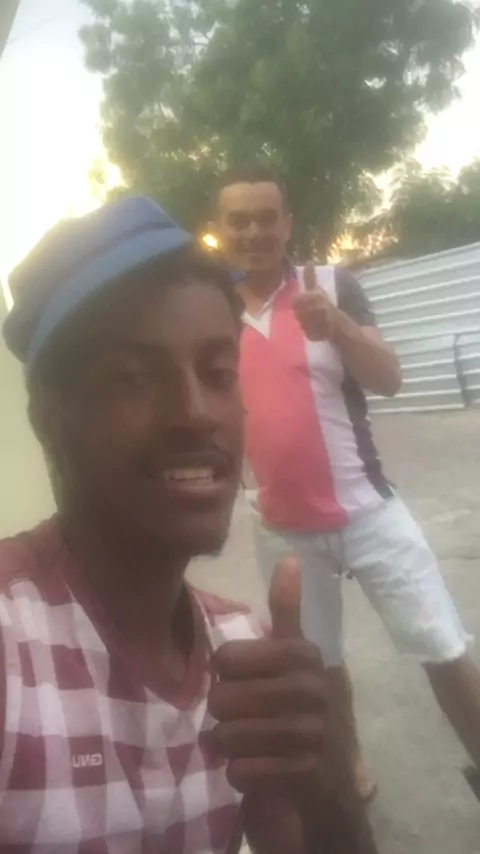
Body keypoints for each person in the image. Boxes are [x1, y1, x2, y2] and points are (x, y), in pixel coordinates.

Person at [0, 197, 378, 853]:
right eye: (135, 376)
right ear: (50, 418)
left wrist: (324, 787)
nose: (196, 412)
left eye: (218, 372)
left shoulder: (246, 652)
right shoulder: (15, 648)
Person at [213, 165, 480, 799]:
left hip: (369, 511)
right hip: (281, 528)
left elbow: (390, 379)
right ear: (219, 229)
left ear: (288, 224)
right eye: (238, 221)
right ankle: (351, 766)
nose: (254, 232)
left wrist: (339, 327)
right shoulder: (213, 309)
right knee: (320, 665)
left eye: (267, 218)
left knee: (443, 647)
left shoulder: (331, 285)